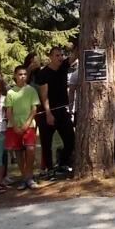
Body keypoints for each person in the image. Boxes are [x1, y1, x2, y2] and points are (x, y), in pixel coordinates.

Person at [36, 46, 75, 177]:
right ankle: (49, 169)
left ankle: (62, 162)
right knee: (46, 144)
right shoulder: (43, 73)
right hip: (47, 112)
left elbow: (76, 55)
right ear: (50, 57)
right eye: (57, 55)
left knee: (70, 140)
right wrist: (48, 113)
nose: (60, 58)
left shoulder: (64, 67)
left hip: (62, 111)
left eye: (61, 55)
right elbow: (43, 95)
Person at [5, 65, 40, 190]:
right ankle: (24, 177)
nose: (22, 77)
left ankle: (29, 175)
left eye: (25, 74)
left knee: (30, 150)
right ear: (15, 75)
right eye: (20, 74)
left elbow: (34, 108)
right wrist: (14, 125)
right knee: (18, 152)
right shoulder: (10, 92)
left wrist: (27, 123)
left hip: (29, 125)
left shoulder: (31, 90)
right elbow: (8, 111)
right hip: (14, 126)